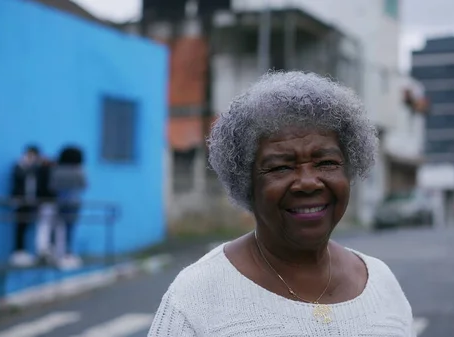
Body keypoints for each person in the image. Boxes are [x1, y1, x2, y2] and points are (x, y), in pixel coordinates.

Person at [148, 71, 414, 336]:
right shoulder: (195, 298)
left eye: (326, 163)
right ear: (246, 181)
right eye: (281, 167)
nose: (308, 182)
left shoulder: (381, 284)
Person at [50, 145, 87, 270]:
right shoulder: (78, 171)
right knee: (70, 229)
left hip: (59, 202)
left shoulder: (57, 170)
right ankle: (68, 253)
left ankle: (57, 253)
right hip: (74, 203)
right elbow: (84, 185)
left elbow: (53, 186)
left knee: (58, 229)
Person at [9, 145, 43, 267]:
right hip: (21, 202)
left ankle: (24, 252)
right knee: (20, 227)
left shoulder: (34, 169)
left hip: (31, 201)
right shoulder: (20, 166)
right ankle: (17, 252)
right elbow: (18, 179)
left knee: (27, 227)